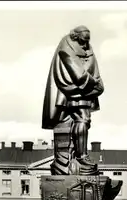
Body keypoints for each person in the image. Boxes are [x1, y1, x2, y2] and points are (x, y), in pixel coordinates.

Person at [42, 25, 104, 175]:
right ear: (75, 37)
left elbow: (93, 66)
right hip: (71, 91)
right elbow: (76, 72)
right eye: (83, 41)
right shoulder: (66, 45)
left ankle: (79, 156)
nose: (85, 45)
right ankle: (81, 157)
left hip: (83, 89)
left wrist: (97, 81)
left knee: (84, 121)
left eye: (87, 41)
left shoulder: (86, 46)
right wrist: (92, 82)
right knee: (82, 119)